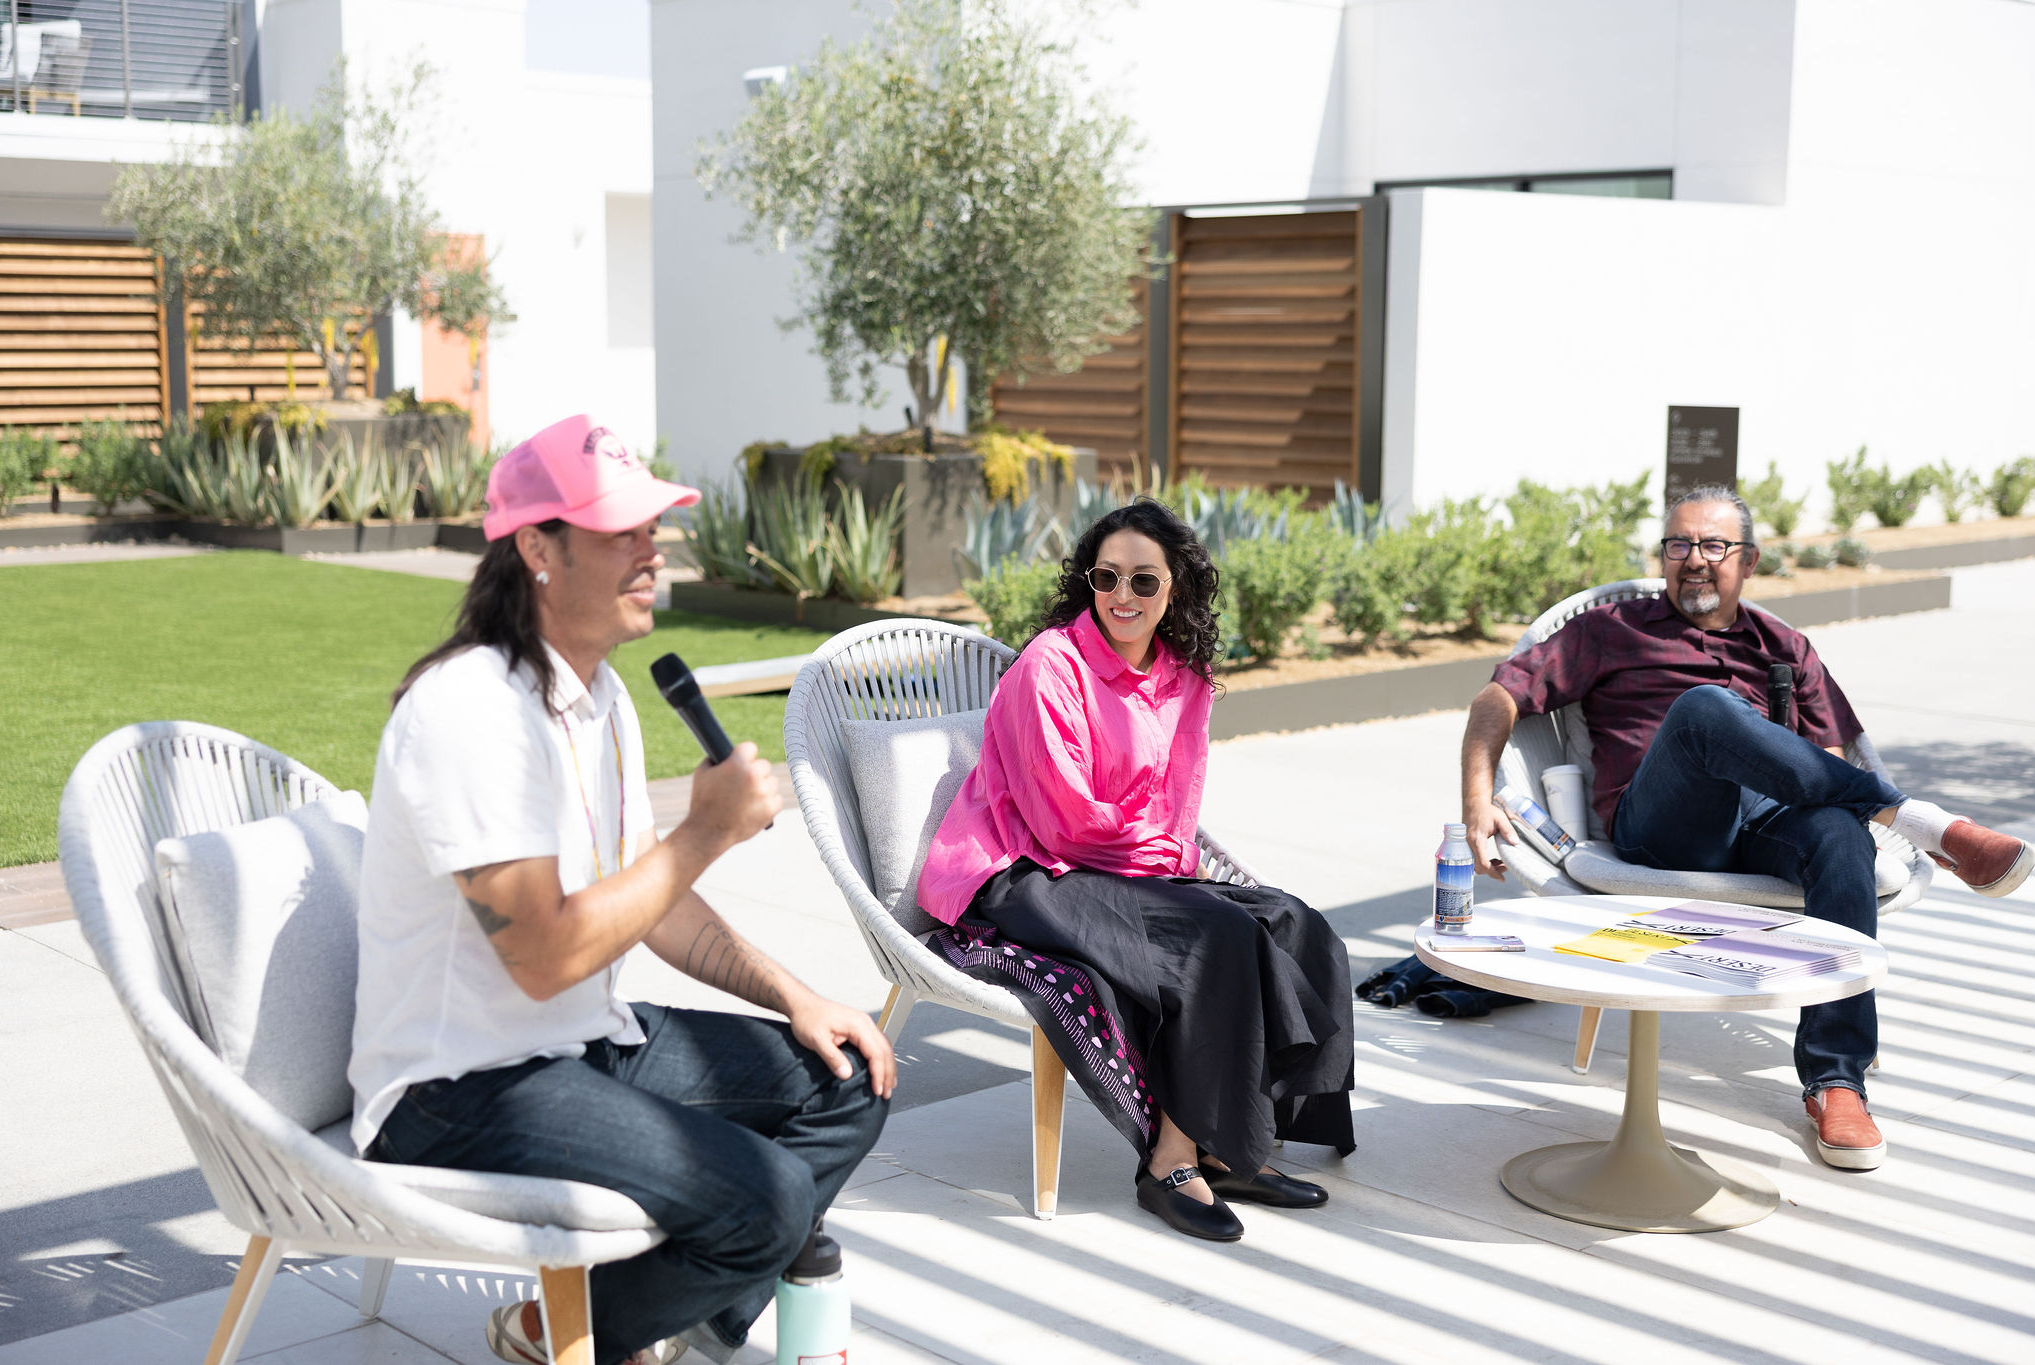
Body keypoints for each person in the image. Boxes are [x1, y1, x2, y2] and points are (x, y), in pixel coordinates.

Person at [348, 415, 894, 1365]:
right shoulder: (473, 711)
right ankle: (594, 1327)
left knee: (851, 1076)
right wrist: (705, 832)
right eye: (621, 530)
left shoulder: (599, 698)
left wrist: (798, 996)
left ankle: (638, 1316)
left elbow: (656, 901)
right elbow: (545, 956)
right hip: (457, 1088)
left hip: (582, 1047)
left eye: (653, 525)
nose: (653, 548)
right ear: (536, 548)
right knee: (767, 1195)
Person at [1459, 484, 2034, 1171]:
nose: (1693, 559)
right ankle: (1925, 820)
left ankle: (1836, 1079)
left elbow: (1829, 758)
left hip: (1762, 827)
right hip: (1663, 829)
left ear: (1750, 560)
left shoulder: (1785, 646)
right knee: (1706, 709)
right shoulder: (1610, 629)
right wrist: (1475, 795)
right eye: (1679, 544)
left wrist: (1835, 800)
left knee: (1840, 837)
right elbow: (1499, 695)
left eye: (1713, 545)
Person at [916, 499, 1355, 1242]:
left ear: (1175, 587)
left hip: (1122, 864)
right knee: (1216, 935)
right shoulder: (1049, 665)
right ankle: (1171, 1157)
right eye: (1107, 576)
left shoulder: (1183, 675)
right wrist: (1161, 861)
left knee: (1291, 921)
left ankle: (1231, 1143)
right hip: (1024, 869)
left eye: (1144, 582)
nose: (1123, 596)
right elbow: (1062, 818)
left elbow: (1177, 805)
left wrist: (1168, 864)